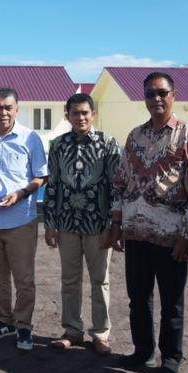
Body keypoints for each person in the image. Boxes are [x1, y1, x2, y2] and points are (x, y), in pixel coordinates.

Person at [109, 72, 188, 373]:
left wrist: (187, 235)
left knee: (171, 303)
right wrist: (117, 223)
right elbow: (121, 183)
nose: (156, 99)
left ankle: (171, 359)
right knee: (138, 299)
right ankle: (143, 351)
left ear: (174, 95)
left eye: (162, 93)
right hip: (136, 234)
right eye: (150, 94)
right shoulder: (134, 137)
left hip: (171, 239)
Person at [0, 86, 49, 351]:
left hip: (20, 220)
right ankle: (5, 321)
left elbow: (41, 176)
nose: (2, 112)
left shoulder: (30, 139)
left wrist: (21, 193)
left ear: (17, 109)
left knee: (24, 279)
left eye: (8, 107)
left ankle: (24, 326)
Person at [43, 93, 120, 355]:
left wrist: (111, 225)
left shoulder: (108, 143)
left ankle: (101, 334)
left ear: (93, 114)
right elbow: (52, 185)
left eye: (85, 112)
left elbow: (114, 187)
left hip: (98, 226)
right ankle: (72, 331)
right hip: (66, 224)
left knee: (100, 281)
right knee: (70, 280)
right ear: (68, 115)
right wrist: (49, 223)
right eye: (75, 113)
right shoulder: (58, 145)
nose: (80, 117)